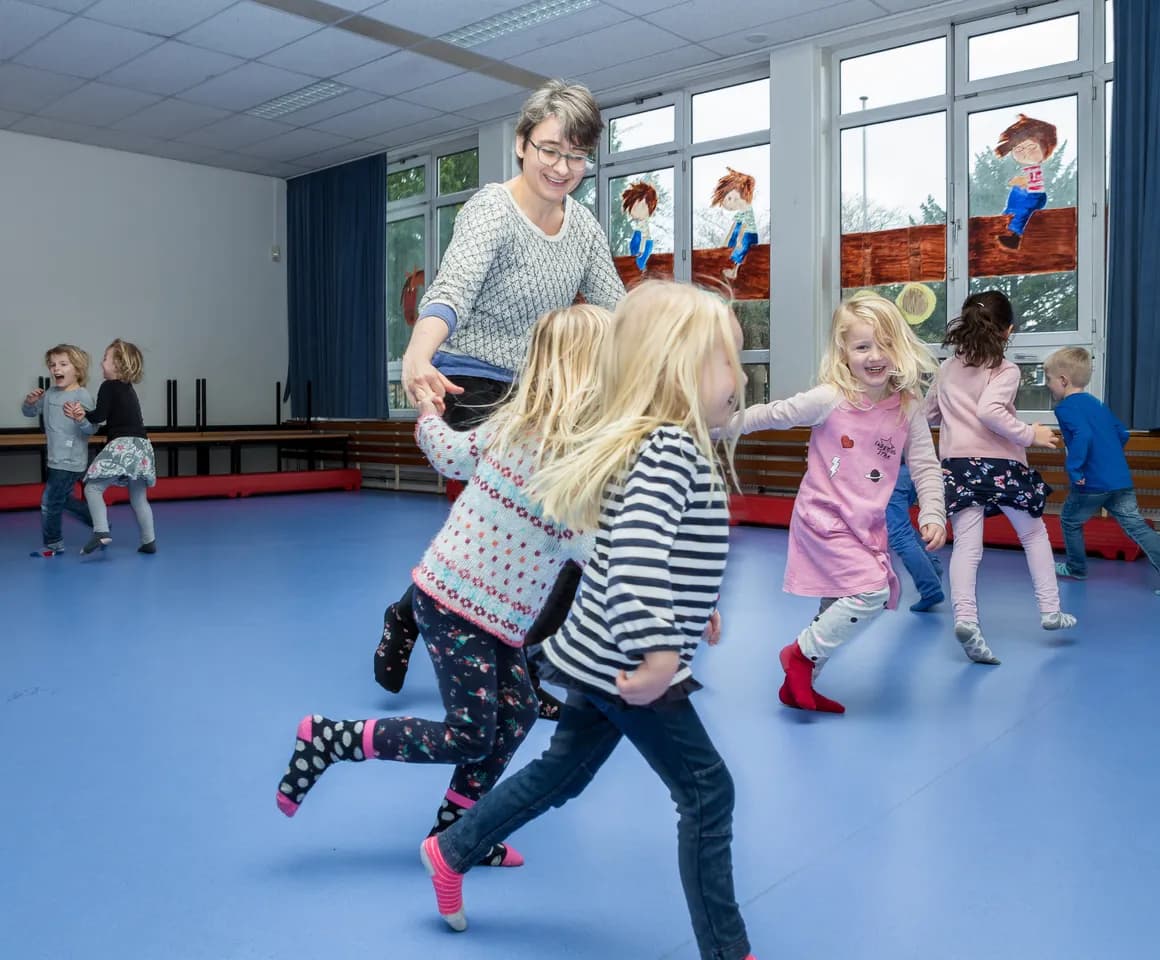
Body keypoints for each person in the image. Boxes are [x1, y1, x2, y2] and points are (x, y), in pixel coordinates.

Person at [417, 281, 758, 960]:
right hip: (627, 662)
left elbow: (640, 543)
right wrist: (660, 650)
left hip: (602, 651)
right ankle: (729, 951)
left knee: (565, 773)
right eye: (729, 361)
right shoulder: (669, 451)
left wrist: (698, 602)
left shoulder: (666, 443)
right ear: (676, 370)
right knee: (708, 793)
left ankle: (452, 848)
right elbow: (632, 556)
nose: (742, 377)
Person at [276, 304, 611, 870]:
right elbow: (590, 546)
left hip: (497, 615)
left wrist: (431, 415)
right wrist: (430, 413)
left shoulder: (550, 439)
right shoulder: (544, 442)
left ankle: (455, 833)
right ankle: (332, 739)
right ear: (587, 373)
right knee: (469, 733)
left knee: (519, 712)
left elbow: (451, 456)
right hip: (455, 601)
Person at [376, 78, 626, 708]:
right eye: (549, 149)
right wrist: (416, 353)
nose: (561, 167)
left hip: (547, 392)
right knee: (508, 528)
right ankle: (412, 618)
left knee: (561, 535)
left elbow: (616, 312)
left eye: (575, 156)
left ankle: (526, 663)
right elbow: (452, 289)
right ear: (521, 143)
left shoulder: (586, 227)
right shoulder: (491, 209)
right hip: (476, 380)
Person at [735, 294, 945, 714]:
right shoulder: (831, 397)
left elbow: (924, 463)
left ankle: (799, 687)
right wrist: (714, 424)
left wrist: (935, 511)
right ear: (844, 352)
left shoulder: (907, 407)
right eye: (862, 346)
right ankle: (799, 655)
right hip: (823, 519)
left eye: (884, 344)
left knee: (835, 604)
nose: (875, 356)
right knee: (870, 591)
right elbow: (773, 414)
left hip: (865, 525)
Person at [925, 291, 1076, 664]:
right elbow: (991, 411)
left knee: (967, 546)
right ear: (1008, 331)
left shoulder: (947, 368)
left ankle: (965, 619)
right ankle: (1050, 610)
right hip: (1002, 464)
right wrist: (1031, 435)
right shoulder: (1004, 369)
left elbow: (929, 415)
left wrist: (950, 415)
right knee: (1033, 533)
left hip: (959, 465)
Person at [1045, 346, 1160, 594]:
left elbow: (1083, 436)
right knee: (1137, 526)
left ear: (1063, 381)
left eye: (1048, 379)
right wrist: (1108, 456)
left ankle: (1077, 568)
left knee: (1070, 520)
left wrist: (1075, 469)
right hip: (1119, 479)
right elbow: (1120, 434)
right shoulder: (1096, 404)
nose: (1047, 384)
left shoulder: (1064, 408)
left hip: (1091, 483)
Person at [65, 339, 156, 555]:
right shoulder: (128, 389)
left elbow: (99, 416)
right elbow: (122, 423)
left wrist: (81, 412)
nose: (101, 363)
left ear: (118, 364)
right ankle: (149, 541)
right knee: (138, 498)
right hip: (142, 446)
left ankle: (101, 531)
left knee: (93, 488)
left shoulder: (108, 386)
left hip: (124, 445)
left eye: (105, 359)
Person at [20, 344, 95, 557]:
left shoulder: (83, 396)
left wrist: (80, 419)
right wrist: (29, 403)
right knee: (62, 499)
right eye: (52, 365)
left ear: (78, 370)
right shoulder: (50, 393)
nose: (56, 369)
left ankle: (53, 544)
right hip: (54, 458)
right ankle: (99, 523)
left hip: (72, 461)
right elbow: (29, 412)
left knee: (49, 501)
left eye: (63, 364)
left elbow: (91, 429)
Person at [886, 461, 945, 611]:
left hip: (890, 473)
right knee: (902, 529)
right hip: (909, 471)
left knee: (899, 535)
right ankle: (932, 566)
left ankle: (930, 589)